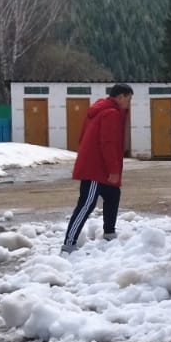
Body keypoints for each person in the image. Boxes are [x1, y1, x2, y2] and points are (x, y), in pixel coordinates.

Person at [63, 83, 134, 254]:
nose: (129, 103)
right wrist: (113, 170)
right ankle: (69, 244)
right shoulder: (111, 113)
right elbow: (108, 144)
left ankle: (109, 234)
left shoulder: (100, 111)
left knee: (113, 195)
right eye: (128, 99)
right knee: (86, 204)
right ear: (120, 97)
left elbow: (83, 136)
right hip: (96, 169)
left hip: (98, 166)